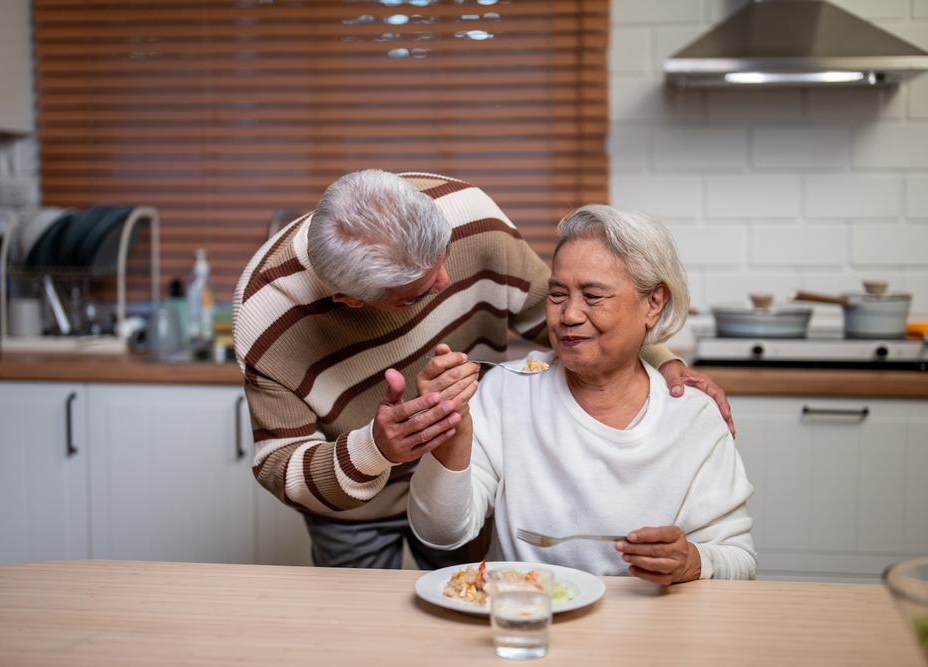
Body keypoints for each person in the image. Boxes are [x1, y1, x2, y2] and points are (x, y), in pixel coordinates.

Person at [232, 170, 737, 570]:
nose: (447, 283)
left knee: (463, 623)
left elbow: (565, 314)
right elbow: (279, 466)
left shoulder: (468, 216)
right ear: (351, 300)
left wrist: (663, 359)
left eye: (445, 257)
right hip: (356, 502)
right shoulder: (264, 318)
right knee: (360, 634)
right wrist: (376, 449)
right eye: (419, 294)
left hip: (469, 474)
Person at [408, 204, 755, 581]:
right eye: (558, 294)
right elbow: (441, 533)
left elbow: (740, 560)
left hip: (650, 617)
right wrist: (453, 428)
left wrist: (694, 561)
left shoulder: (694, 417)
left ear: (653, 304)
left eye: (592, 296)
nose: (569, 315)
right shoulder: (505, 391)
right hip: (525, 609)